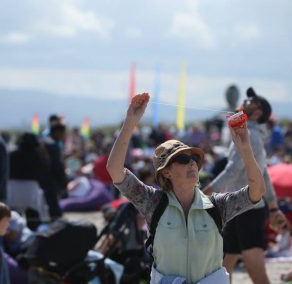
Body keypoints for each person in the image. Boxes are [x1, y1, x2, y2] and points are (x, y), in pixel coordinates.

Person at [106, 93, 266, 284]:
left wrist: (245, 149)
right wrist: (130, 122)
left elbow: (257, 192)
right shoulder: (153, 202)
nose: (191, 163)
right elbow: (115, 170)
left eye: (194, 159)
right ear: (166, 173)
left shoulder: (216, 205)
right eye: (182, 159)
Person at [203, 87, 288, 284]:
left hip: (249, 210)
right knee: (222, 269)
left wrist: (203, 193)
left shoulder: (251, 136)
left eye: (251, 100)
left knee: (256, 273)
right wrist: (274, 207)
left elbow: (232, 171)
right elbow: (264, 175)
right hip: (237, 208)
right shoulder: (250, 134)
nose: (245, 100)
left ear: (257, 112)